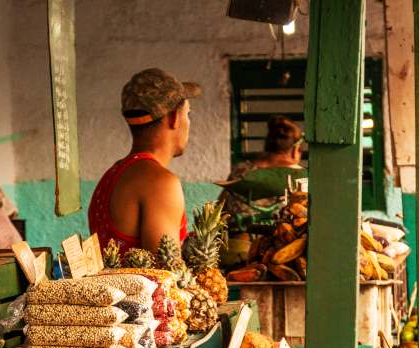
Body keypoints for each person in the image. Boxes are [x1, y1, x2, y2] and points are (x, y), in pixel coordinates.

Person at [88, 68, 201, 253]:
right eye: (188, 114)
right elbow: (165, 271)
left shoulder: (112, 175)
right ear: (174, 118)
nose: (189, 122)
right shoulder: (160, 183)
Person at [220, 116, 304, 230]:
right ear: (296, 150)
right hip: (280, 239)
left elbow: (219, 208)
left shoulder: (241, 170)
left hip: (233, 239)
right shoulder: (300, 176)